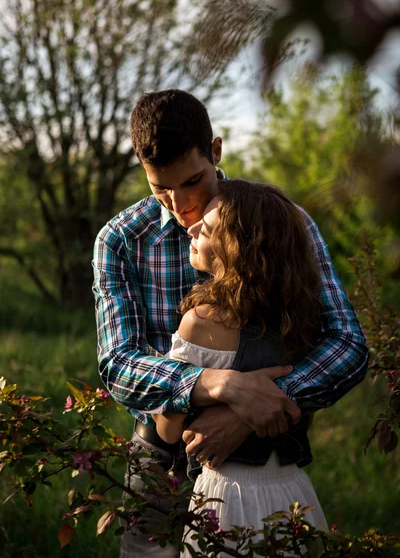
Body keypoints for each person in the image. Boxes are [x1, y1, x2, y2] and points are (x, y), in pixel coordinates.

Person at [92, 89, 368, 557]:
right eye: (160, 188)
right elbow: (119, 363)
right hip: (160, 457)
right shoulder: (121, 240)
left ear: (215, 152)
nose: (179, 204)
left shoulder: (282, 223)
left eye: (192, 181)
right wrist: (221, 385)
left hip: (261, 460)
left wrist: (255, 411)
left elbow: (346, 343)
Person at [153, 179, 328, 555]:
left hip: (226, 497)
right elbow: (303, 416)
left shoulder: (202, 321)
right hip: (292, 493)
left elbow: (168, 431)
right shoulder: (299, 318)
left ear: (239, 250)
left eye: (210, 228)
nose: (193, 226)